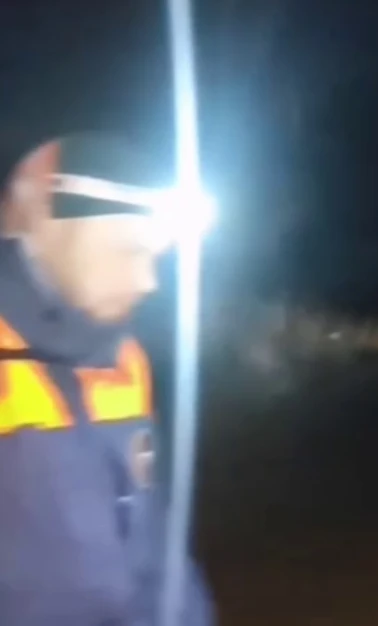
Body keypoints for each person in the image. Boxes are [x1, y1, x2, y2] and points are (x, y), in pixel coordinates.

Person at [0, 134, 214, 625]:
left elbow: (153, 539)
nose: (148, 282)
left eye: (155, 259)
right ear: (49, 229)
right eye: (128, 251)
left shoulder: (124, 357)